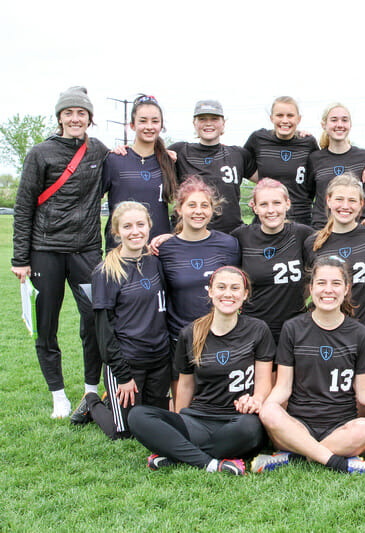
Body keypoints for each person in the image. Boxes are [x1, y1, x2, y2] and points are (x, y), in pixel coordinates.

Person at [11, 86, 108, 418]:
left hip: (86, 252)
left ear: (89, 119)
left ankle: (92, 391)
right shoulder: (41, 153)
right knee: (46, 324)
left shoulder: (99, 151)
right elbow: (24, 207)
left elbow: (124, 167)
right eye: (69, 113)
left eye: (81, 113)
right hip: (46, 251)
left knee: (96, 320)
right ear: (60, 118)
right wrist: (20, 259)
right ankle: (58, 396)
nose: (75, 118)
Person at [128, 266, 273, 476]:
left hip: (237, 420)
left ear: (245, 294)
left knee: (251, 430)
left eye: (235, 288)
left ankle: (176, 454)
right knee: (138, 415)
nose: (228, 294)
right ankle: (211, 464)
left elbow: (263, 380)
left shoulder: (258, 329)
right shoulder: (190, 333)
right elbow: (185, 384)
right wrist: (178, 422)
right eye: (221, 287)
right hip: (198, 419)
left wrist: (256, 399)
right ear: (210, 291)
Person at [253, 256, 365, 476]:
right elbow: (283, 387)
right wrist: (267, 411)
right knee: (269, 411)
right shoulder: (293, 328)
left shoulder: (360, 333)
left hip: (341, 427)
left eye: (336, 284)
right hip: (298, 424)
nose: (328, 290)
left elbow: (363, 394)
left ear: (346, 289)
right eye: (322, 283)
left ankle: (296, 455)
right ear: (311, 287)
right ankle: (341, 464)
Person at [70, 202, 171, 440]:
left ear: (149, 227)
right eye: (127, 226)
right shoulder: (105, 272)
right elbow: (103, 332)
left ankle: (112, 400)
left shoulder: (155, 263)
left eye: (140, 225)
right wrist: (123, 376)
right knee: (124, 432)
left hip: (159, 359)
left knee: (154, 420)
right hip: (128, 362)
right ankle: (92, 401)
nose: (135, 231)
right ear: (117, 232)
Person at [304, 174, 365, 381]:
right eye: (339, 199)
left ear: (361, 205)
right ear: (328, 200)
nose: (345, 206)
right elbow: (307, 289)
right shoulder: (313, 243)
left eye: (352, 201)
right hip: (326, 335)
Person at [156, 177, 241, 346]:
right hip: (181, 338)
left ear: (212, 209)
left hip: (220, 336)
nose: (198, 211)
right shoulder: (164, 249)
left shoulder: (229, 244)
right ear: (179, 209)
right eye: (192, 205)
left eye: (204, 206)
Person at [232, 178, 313, 346]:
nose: (271, 210)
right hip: (254, 329)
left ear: (287, 204)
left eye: (277, 203)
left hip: (294, 329)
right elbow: (207, 242)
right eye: (263, 204)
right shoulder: (241, 237)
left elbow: (336, 238)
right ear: (254, 207)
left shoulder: (302, 234)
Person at [169, 100, 257, 233]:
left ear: (223, 123)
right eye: (202, 119)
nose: (208, 123)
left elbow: (269, 179)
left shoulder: (237, 154)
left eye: (214, 119)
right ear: (195, 123)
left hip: (229, 235)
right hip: (188, 236)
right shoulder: (180, 151)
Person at [103, 94, 176, 246]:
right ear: (132, 125)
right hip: (121, 251)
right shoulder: (114, 160)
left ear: (161, 126)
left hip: (158, 250)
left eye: (155, 121)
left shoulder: (170, 162)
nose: (149, 126)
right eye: (143, 121)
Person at [245, 96, 318, 225]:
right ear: (272, 118)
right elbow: (241, 163)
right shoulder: (258, 139)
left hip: (300, 218)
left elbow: (318, 173)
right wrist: (262, 185)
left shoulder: (308, 142)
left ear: (298, 119)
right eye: (279, 115)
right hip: (266, 218)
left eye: (290, 116)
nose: (285, 120)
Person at [307, 103, 365, 230]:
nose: (339, 124)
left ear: (350, 125)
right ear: (324, 125)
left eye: (344, 120)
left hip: (356, 230)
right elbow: (307, 196)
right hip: (322, 229)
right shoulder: (314, 158)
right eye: (334, 120)